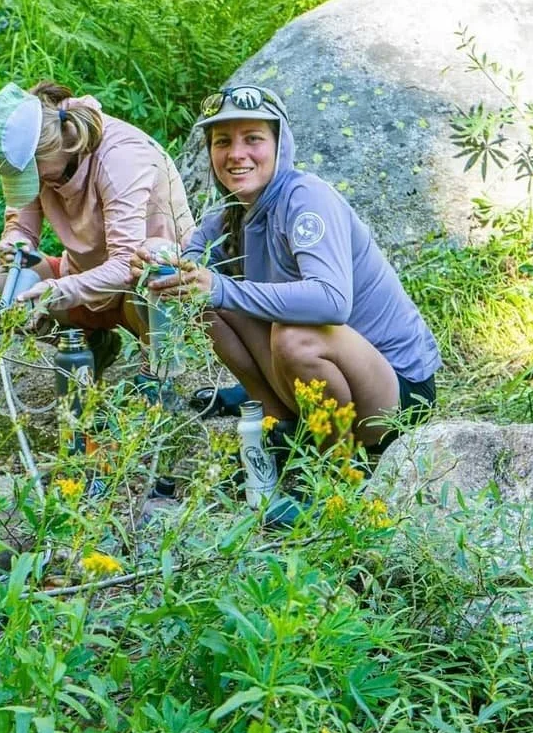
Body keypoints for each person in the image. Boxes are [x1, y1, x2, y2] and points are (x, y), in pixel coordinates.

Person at [133, 84, 440, 455]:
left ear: (281, 145)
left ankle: (337, 469)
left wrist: (220, 287)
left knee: (293, 336)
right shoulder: (231, 210)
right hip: (334, 382)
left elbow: (331, 302)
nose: (236, 154)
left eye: (253, 139)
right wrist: (159, 261)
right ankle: (285, 430)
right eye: (222, 141)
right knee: (208, 305)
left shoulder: (306, 199)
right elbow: (193, 268)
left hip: (395, 392)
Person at [0, 81, 195, 375]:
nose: (36, 183)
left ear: (53, 144)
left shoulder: (121, 158)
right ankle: (86, 343)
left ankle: (160, 374)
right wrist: (16, 241)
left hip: (145, 292)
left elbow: (127, 263)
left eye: (32, 174)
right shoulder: (36, 154)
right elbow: (22, 223)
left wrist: (53, 292)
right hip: (80, 278)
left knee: (152, 263)